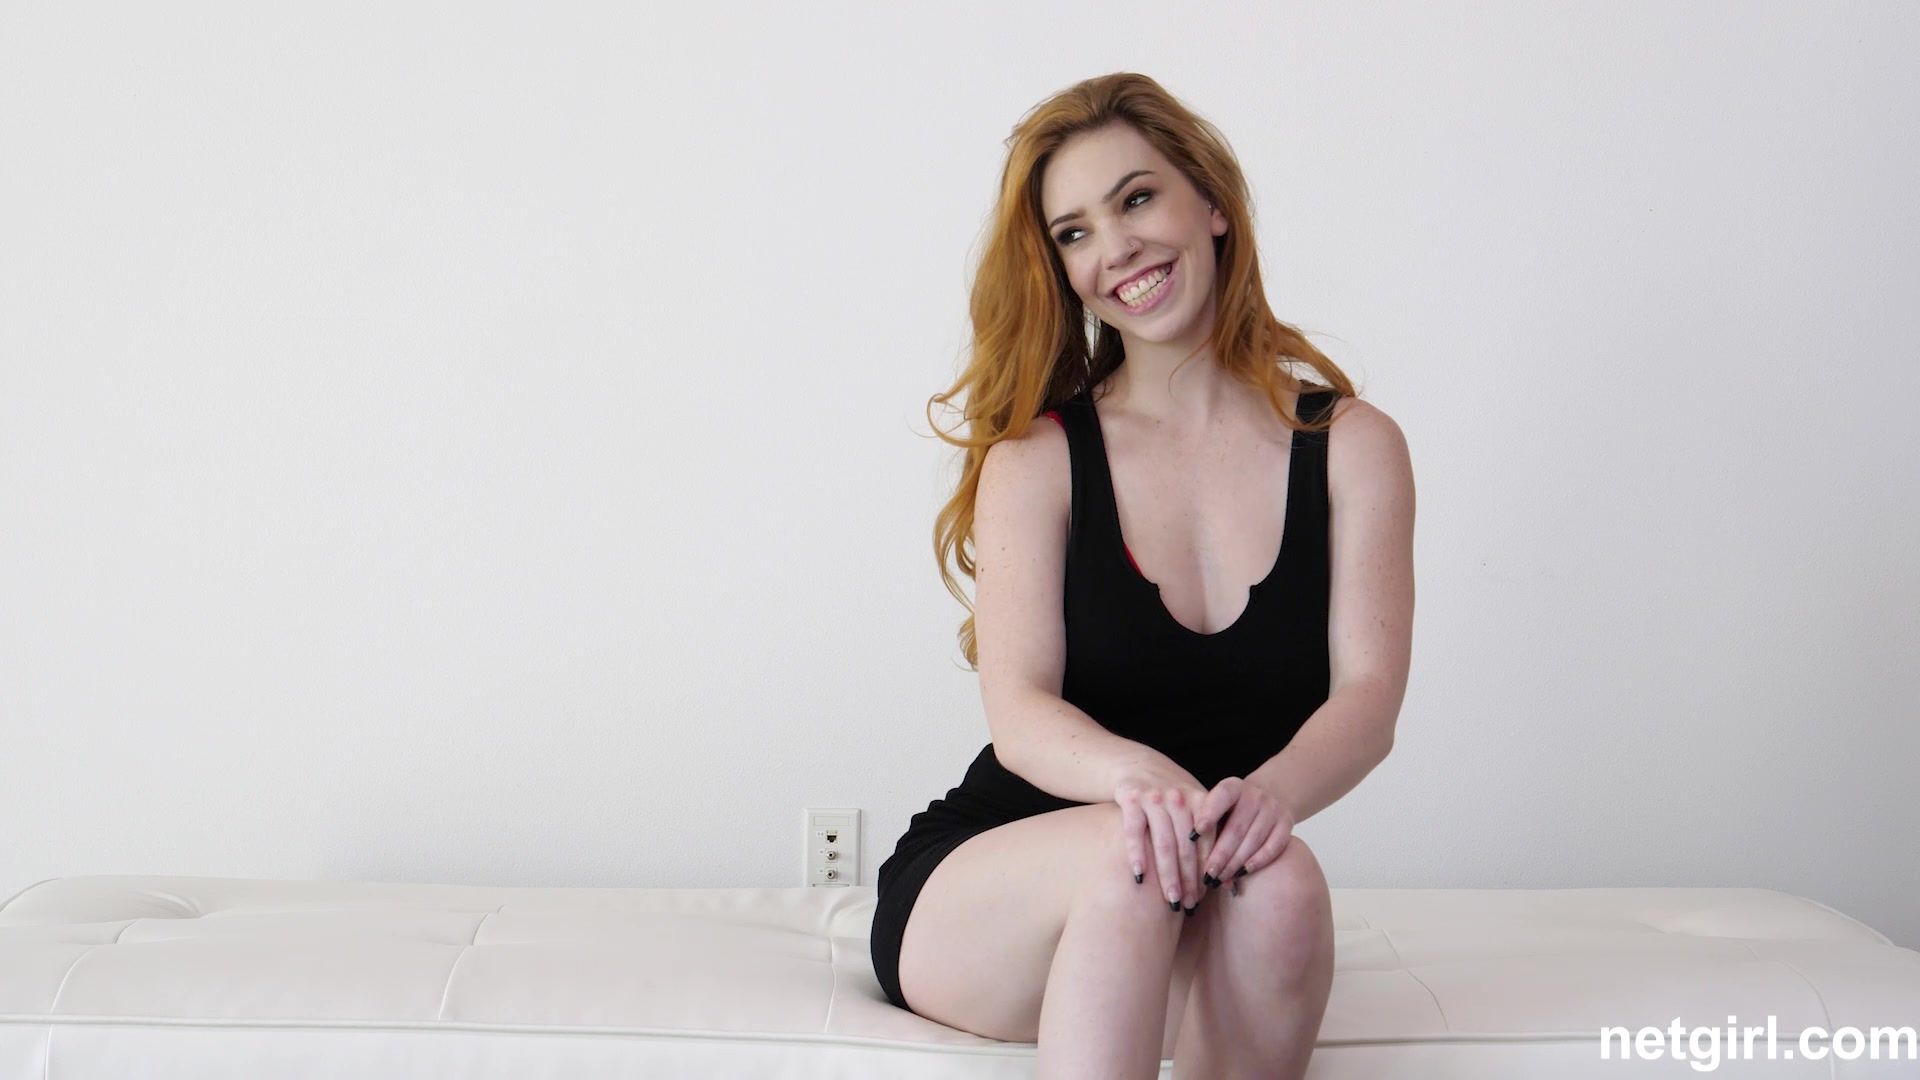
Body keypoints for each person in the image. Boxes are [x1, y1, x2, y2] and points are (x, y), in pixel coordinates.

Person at [869, 72, 1416, 1080]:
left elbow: (1369, 698)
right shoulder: (1037, 460)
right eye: (1074, 232)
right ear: (1060, 270)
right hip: (1000, 885)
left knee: (1286, 885)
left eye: (1136, 199)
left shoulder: (1352, 447)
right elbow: (1019, 712)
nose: (1115, 247)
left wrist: (1272, 795)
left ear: (1211, 204)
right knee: (1132, 860)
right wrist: (1138, 783)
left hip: (1199, 873)